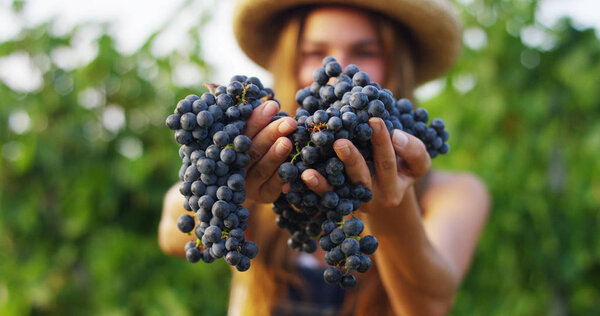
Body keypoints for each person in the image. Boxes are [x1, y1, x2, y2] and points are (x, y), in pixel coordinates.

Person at [159, 0, 490, 315]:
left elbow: (428, 308)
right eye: (314, 52)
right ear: (288, 59)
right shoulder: (271, 157)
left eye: (365, 51)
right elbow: (173, 232)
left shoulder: (454, 193)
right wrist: (241, 185)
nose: (337, 70)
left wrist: (393, 207)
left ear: (397, 63)